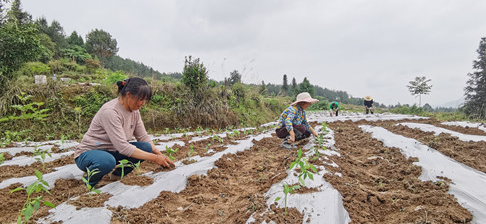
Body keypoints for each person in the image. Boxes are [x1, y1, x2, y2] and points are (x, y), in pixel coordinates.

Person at [74, 77, 174, 186]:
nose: (143, 103)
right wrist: (155, 158)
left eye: (145, 100)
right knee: (107, 161)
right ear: (128, 95)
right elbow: (123, 147)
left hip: (113, 152)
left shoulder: (134, 111)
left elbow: (143, 137)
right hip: (89, 153)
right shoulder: (110, 112)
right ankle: (88, 183)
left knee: (146, 147)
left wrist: (160, 155)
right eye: (141, 99)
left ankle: (116, 176)